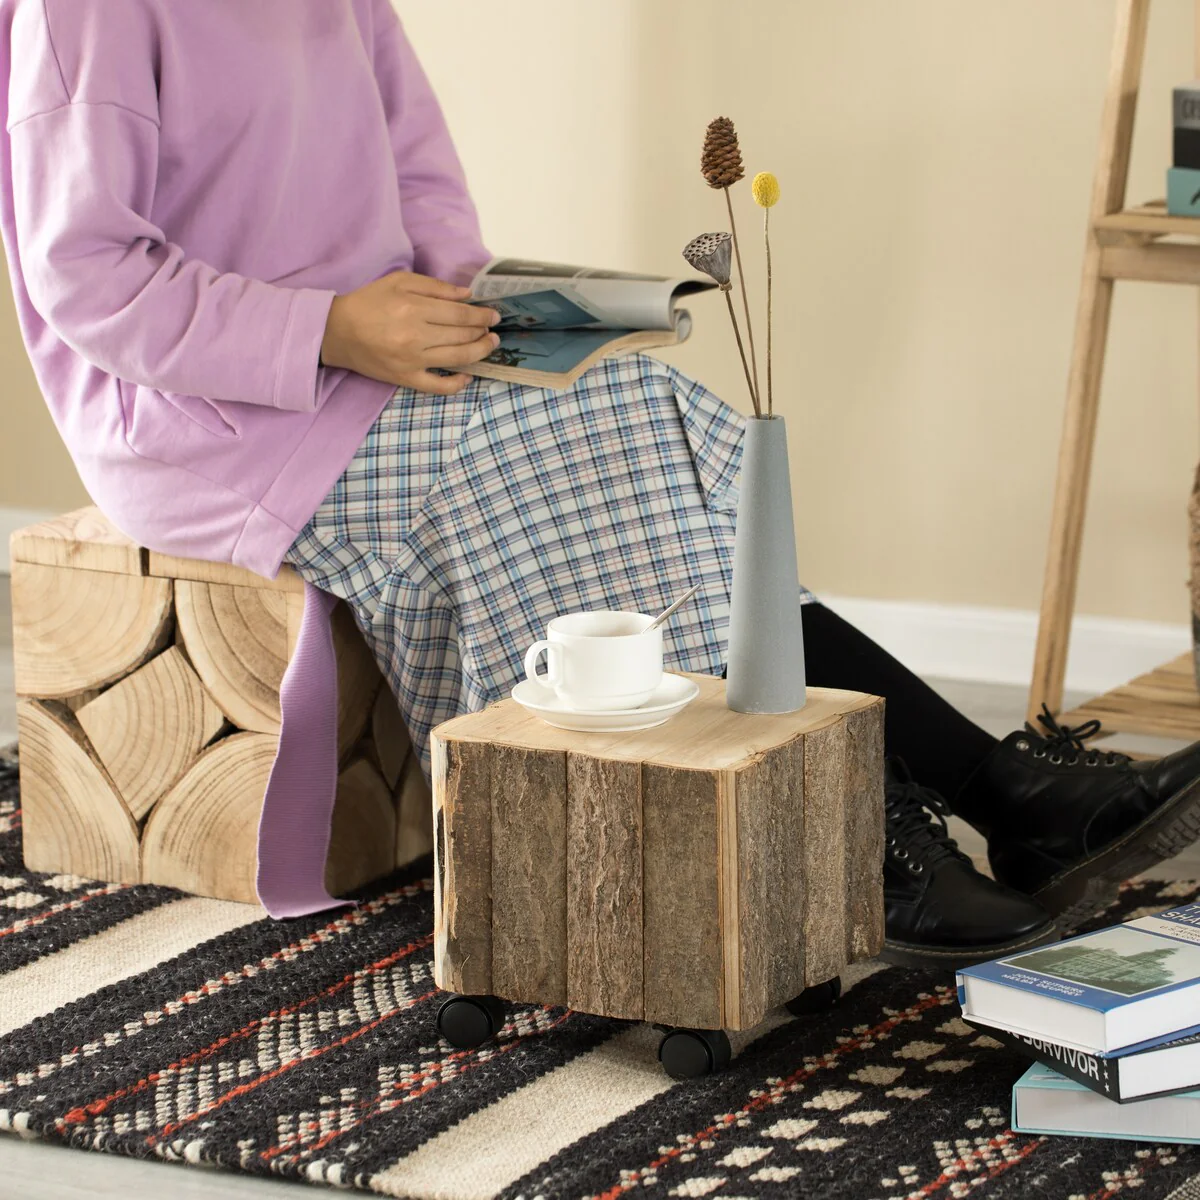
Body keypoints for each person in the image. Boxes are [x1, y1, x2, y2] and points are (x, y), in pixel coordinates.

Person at [3, 1, 1199, 967]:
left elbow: (421, 178)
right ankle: (872, 835)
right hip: (212, 416)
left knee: (647, 410)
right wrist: (329, 328)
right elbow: (85, 277)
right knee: (542, 467)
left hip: (391, 356)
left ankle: (986, 789)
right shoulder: (86, 11)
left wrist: (483, 312)